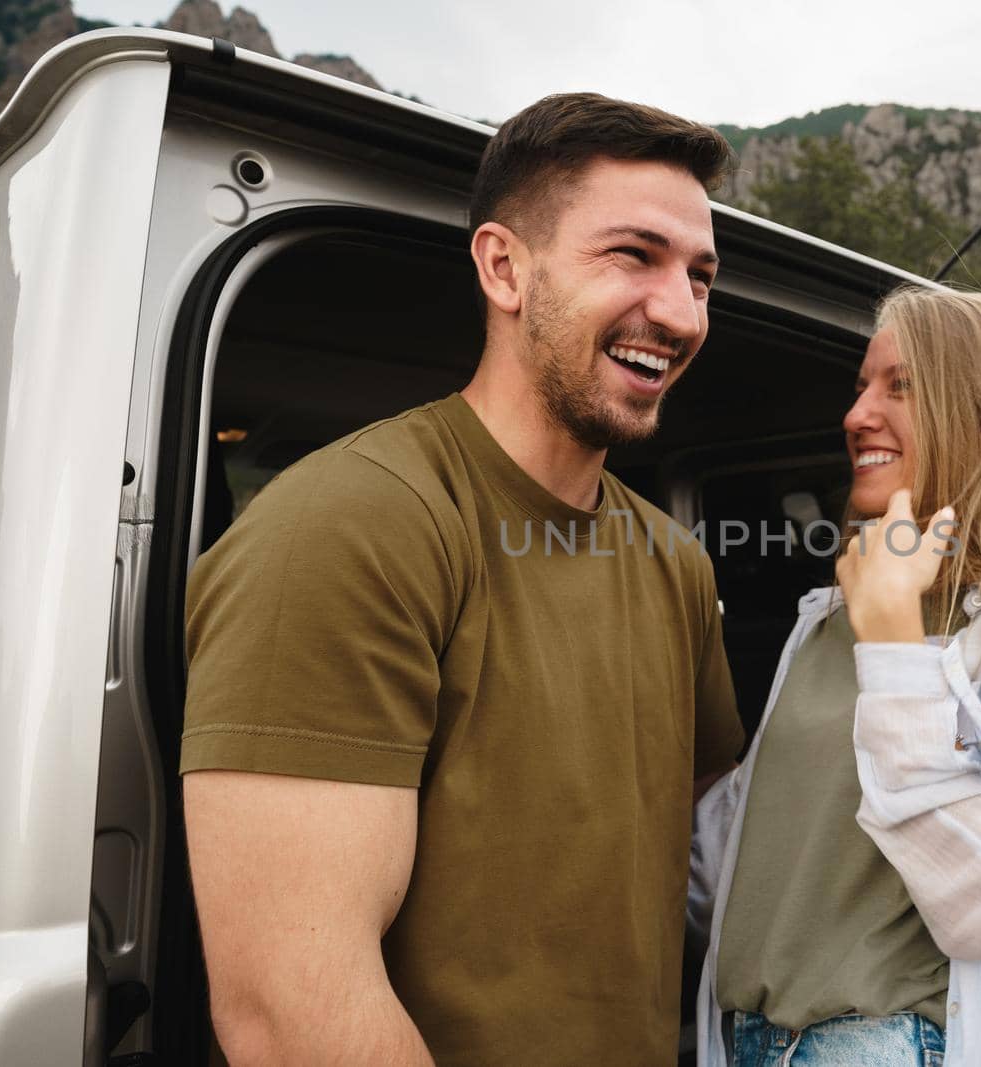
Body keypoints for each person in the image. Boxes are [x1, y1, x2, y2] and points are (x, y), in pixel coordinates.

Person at [181, 93, 744, 1065]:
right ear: (503, 266)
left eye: (699, 275)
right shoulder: (348, 526)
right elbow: (289, 1013)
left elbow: (677, 810)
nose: (680, 311)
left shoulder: (676, 564)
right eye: (633, 255)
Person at [690, 286, 981, 1067]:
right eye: (862, 386)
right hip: (749, 1040)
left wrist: (897, 650)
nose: (856, 414)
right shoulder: (827, 615)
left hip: (887, 1045)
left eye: (899, 387)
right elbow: (746, 853)